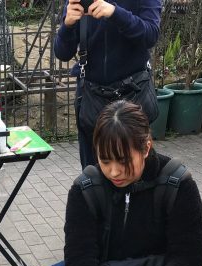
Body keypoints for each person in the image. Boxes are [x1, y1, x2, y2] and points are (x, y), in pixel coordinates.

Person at [28, 100, 202, 266]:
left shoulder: (177, 183)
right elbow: (80, 258)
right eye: (105, 160)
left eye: (123, 161)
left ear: (146, 147)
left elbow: (191, 255)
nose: (114, 172)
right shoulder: (86, 188)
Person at [54, 0, 161, 167]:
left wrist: (115, 13)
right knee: (92, 177)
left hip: (132, 97)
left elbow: (151, 35)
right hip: (92, 98)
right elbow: (62, 52)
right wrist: (67, 25)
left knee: (134, 171)